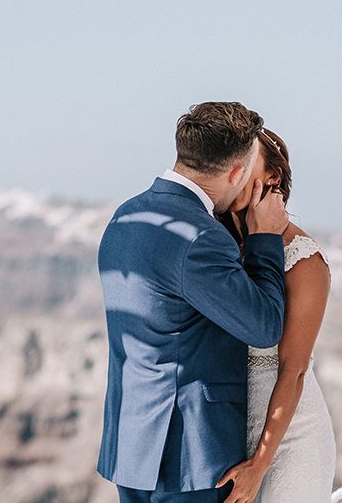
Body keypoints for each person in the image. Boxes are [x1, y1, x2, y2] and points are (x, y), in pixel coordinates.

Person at [97, 101, 289, 503]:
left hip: (131, 441)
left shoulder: (125, 217)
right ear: (237, 172)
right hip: (188, 451)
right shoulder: (201, 236)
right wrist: (264, 240)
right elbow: (265, 327)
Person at [215, 127, 336, 503]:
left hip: (290, 441)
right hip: (227, 432)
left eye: (245, 165)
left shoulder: (304, 260)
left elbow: (293, 370)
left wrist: (260, 464)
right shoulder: (215, 246)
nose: (233, 174)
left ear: (273, 177)